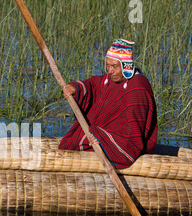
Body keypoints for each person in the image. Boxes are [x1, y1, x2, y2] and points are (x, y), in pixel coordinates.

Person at [59, 39, 158, 169]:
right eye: (107, 65)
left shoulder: (137, 88)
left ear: (126, 66)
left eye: (114, 66)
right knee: (71, 140)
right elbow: (94, 84)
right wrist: (76, 88)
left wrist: (102, 138)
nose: (110, 71)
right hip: (102, 136)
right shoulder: (111, 78)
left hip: (125, 146)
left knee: (80, 139)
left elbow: (132, 134)